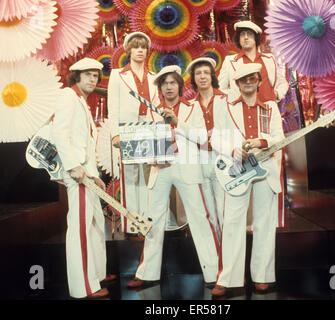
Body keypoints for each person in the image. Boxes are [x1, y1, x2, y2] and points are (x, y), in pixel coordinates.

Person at [126, 65, 219, 289]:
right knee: (154, 219)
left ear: (180, 85)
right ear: (159, 88)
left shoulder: (192, 107)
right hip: (161, 168)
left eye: (172, 82)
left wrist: (177, 121)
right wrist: (151, 157)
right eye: (164, 83)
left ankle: (215, 273)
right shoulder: (151, 110)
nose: (169, 87)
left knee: (199, 217)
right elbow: (145, 144)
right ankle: (147, 273)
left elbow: (201, 137)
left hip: (187, 166)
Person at [210, 63, 285, 297]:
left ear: (259, 81)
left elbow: (279, 138)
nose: (248, 82)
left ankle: (262, 276)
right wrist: (233, 150)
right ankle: (229, 279)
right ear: (237, 84)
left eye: (252, 78)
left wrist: (261, 143)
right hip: (237, 170)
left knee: (264, 222)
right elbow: (215, 139)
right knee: (232, 223)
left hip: (265, 168)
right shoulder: (225, 106)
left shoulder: (271, 107)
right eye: (243, 80)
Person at [52, 57, 116, 299]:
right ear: (76, 76)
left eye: (96, 75)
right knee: (79, 229)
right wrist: (73, 166)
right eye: (88, 74)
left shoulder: (82, 101)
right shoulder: (68, 97)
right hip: (76, 174)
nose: (93, 79)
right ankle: (84, 287)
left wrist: (96, 176)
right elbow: (60, 133)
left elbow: (86, 144)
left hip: (86, 174)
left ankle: (97, 273)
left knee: (96, 224)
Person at [108, 32, 159, 235]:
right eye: (136, 46)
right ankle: (132, 224)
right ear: (128, 50)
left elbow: (156, 107)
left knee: (150, 174)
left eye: (143, 47)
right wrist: (115, 134)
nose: (139, 50)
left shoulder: (154, 77)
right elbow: (113, 108)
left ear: (147, 51)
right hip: (128, 128)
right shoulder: (117, 75)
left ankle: (148, 220)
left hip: (150, 129)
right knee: (131, 175)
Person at [186, 57, 228, 231]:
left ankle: (229, 255)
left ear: (212, 76)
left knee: (226, 210)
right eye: (198, 73)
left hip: (224, 158)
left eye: (206, 72)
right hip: (201, 159)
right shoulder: (189, 105)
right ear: (193, 79)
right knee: (208, 212)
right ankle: (216, 255)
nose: (202, 76)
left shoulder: (227, 99)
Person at [218, 20, 288, 103]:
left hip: (268, 110)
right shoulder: (230, 61)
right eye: (242, 34)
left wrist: (277, 94)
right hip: (242, 112)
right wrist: (234, 99)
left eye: (250, 34)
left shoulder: (269, 59)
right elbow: (220, 89)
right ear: (239, 39)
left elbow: (283, 83)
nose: (246, 37)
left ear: (256, 38)